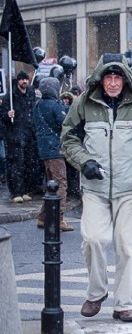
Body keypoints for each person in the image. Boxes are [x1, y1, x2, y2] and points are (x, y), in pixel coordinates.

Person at [61, 54, 132, 322]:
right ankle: (96, 293)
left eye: (118, 77)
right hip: (95, 186)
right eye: (109, 77)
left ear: (125, 79)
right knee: (93, 238)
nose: (114, 83)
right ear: (101, 79)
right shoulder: (84, 102)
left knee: (126, 247)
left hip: (129, 187)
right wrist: (85, 163)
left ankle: (123, 304)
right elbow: (69, 137)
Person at [32, 77, 73, 231]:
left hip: (43, 149)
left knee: (51, 186)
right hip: (55, 149)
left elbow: (33, 125)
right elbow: (64, 123)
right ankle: (58, 218)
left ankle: (43, 217)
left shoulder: (37, 105)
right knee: (61, 184)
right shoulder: (55, 106)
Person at [1, 70, 40, 202]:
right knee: (15, 164)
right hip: (14, 136)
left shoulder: (31, 93)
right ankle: (16, 192)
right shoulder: (9, 98)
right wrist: (8, 115)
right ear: (18, 81)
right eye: (22, 79)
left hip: (28, 134)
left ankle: (25, 190)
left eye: (26, 79)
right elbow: (2, 116)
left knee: (28, 163)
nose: (24, 82)